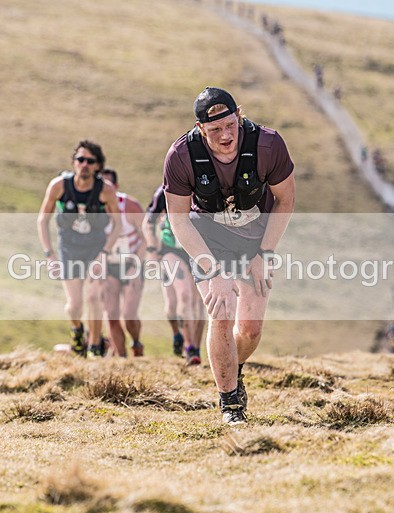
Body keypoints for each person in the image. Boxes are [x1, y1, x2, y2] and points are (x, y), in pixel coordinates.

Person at [163, 87, 296, 425]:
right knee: (220, 309)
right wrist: (211, 269)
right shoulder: (181, 155)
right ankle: (230, 403)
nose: (225, 137)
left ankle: (232, 367)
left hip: (256, 238)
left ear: (239, 114)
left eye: (229, 125)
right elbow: (177, 219)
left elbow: (285, 200)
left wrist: (265, 252)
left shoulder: (268, 145)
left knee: (250, 329)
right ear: (199, 128)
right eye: (214, 130)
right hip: (207, 237)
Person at [37, 140, 122, 358]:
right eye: (80, 159)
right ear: (73, 162)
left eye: (90, 161)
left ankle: (94, 347)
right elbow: (42, 220)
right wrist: (49, 254)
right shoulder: (59, 186)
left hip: (95, 248)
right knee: (74, 305)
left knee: (94, 298)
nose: (84, 164)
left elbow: (118, 224)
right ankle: (77, 335)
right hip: (69, 249)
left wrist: (105, 254)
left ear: (98, 166)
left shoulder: (105, 190)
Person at [143, 185, 206, 365]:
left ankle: (193, 348)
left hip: (199, 250)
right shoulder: (163, 191)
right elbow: (148, 222)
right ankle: (180, 336)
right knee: (175, 303)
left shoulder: (206, 186)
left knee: (198, 301)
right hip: (171, 250)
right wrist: (151, 248)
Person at [99, 167, 147, 358]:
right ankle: (121, 359)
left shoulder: (130, 206)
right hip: (108, 266)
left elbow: (147, 237)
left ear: (116, 186)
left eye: (108, 184)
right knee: (111, 314)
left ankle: (136, 342)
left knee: (129, 314)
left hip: (131, 264)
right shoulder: (93, 209)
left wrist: (136, 263)